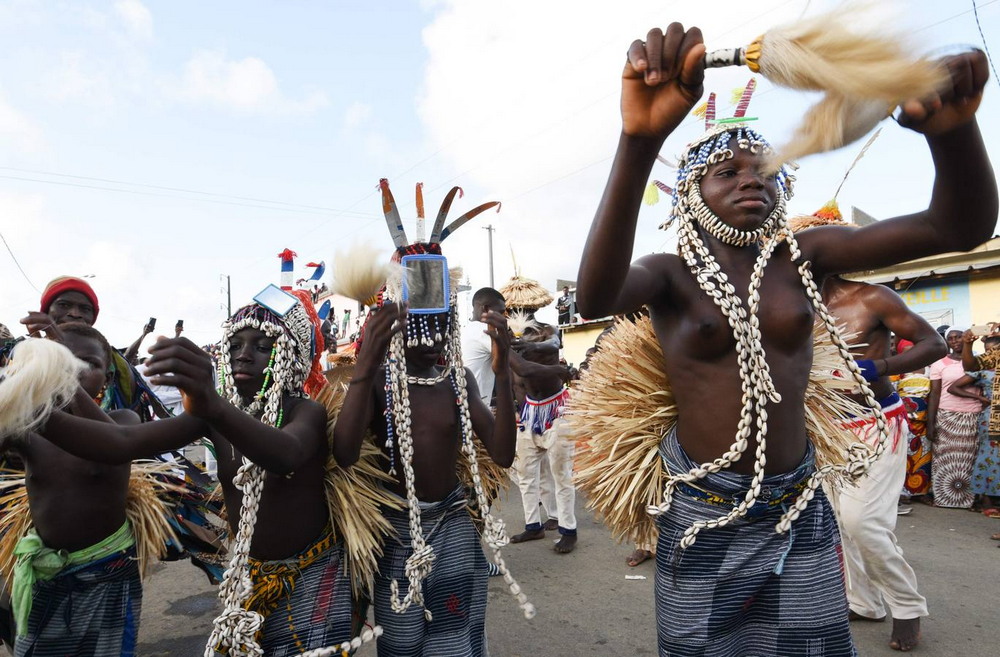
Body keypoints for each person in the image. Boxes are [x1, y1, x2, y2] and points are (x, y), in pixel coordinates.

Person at [575, 23, 994, 656]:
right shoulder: (669, 274)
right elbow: (594, 297)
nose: (750, 179)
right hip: (703, 507)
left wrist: (953, 133)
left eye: (763, 170)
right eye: (725, 171)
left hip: (797, 503)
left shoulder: (803, 255)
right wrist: (639, 141)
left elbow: (956, 225)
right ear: (690, 194)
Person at [38, 294, 371, 655]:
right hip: (249, 578)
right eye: (234, 345)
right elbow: (120, 441)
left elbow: (285, 455)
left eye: (262, 346)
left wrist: (213, 405)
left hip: (316, 573)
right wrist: (23, 408)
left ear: (292, 357)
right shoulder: (213, 416)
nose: (243, 354)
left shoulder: (305, 412)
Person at [787, 225, 941, 650]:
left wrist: (883, 366)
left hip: (878, 423)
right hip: (825, 428)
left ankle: (907, 606)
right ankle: (864, 602)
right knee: (838, 521)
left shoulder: (871, 298)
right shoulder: (792, 309)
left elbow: (935, 343)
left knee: (863, 522)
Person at [2, 324, 142, 656]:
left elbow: (114, 450)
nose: (74, 371)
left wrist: (63, 377)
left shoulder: (123, 420)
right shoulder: (30, 427)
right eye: (63, 361)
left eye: (87, 364)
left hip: (109, 571)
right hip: (47, 576)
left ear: (107, 377)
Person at [21, 276, 168, 420]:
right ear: (46, 312)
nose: (75, 314)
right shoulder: (22, 354)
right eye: (64, 305)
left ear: (108, 378)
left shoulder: (114, 362)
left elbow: (125, 430)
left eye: (85, 309)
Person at [508, 343, 577, 553]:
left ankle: (568, 531)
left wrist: (528, 346)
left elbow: (551, 347)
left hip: (557, 412)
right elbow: (518, 376)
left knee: (562, 475)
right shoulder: (507, 351)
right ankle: (533, 527)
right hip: (529, 414)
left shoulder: (544, 339)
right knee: (526, 475)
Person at [928, 328, 984, 509]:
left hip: (971, 415)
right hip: (946, 416)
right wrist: (931, 423)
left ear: (966, 338)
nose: (955, 341)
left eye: (958, 337)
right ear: (947, 342)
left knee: (968, 459)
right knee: (944, 458)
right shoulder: (939, 364)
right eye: (950, 338)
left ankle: (968, 500)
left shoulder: (978, 361)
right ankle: (943, 499)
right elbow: (935, 394)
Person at [959, 329, 1000, 515]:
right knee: (990, 456)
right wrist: (968, 344)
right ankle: (986, 499)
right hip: (995, 417)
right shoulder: (997, 353)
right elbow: (972, 365)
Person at [894, 339, 935, 503]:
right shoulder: (897, 370)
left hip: (923, 420)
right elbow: (891, 392)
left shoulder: (929, 369)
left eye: (913, 350)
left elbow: (933, 394)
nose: (911, 354)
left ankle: (920, 491)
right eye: (907, 351)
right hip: (904, 419)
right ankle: (903, 492)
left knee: (924, 454)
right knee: (904, 456)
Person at [463, 287, 507, 407]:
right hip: (476, 410)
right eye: (501, 312)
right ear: (486, 309)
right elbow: (520, 367)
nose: (504, 317)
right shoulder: (483, 331)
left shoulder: (467, 330)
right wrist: (556, 370)